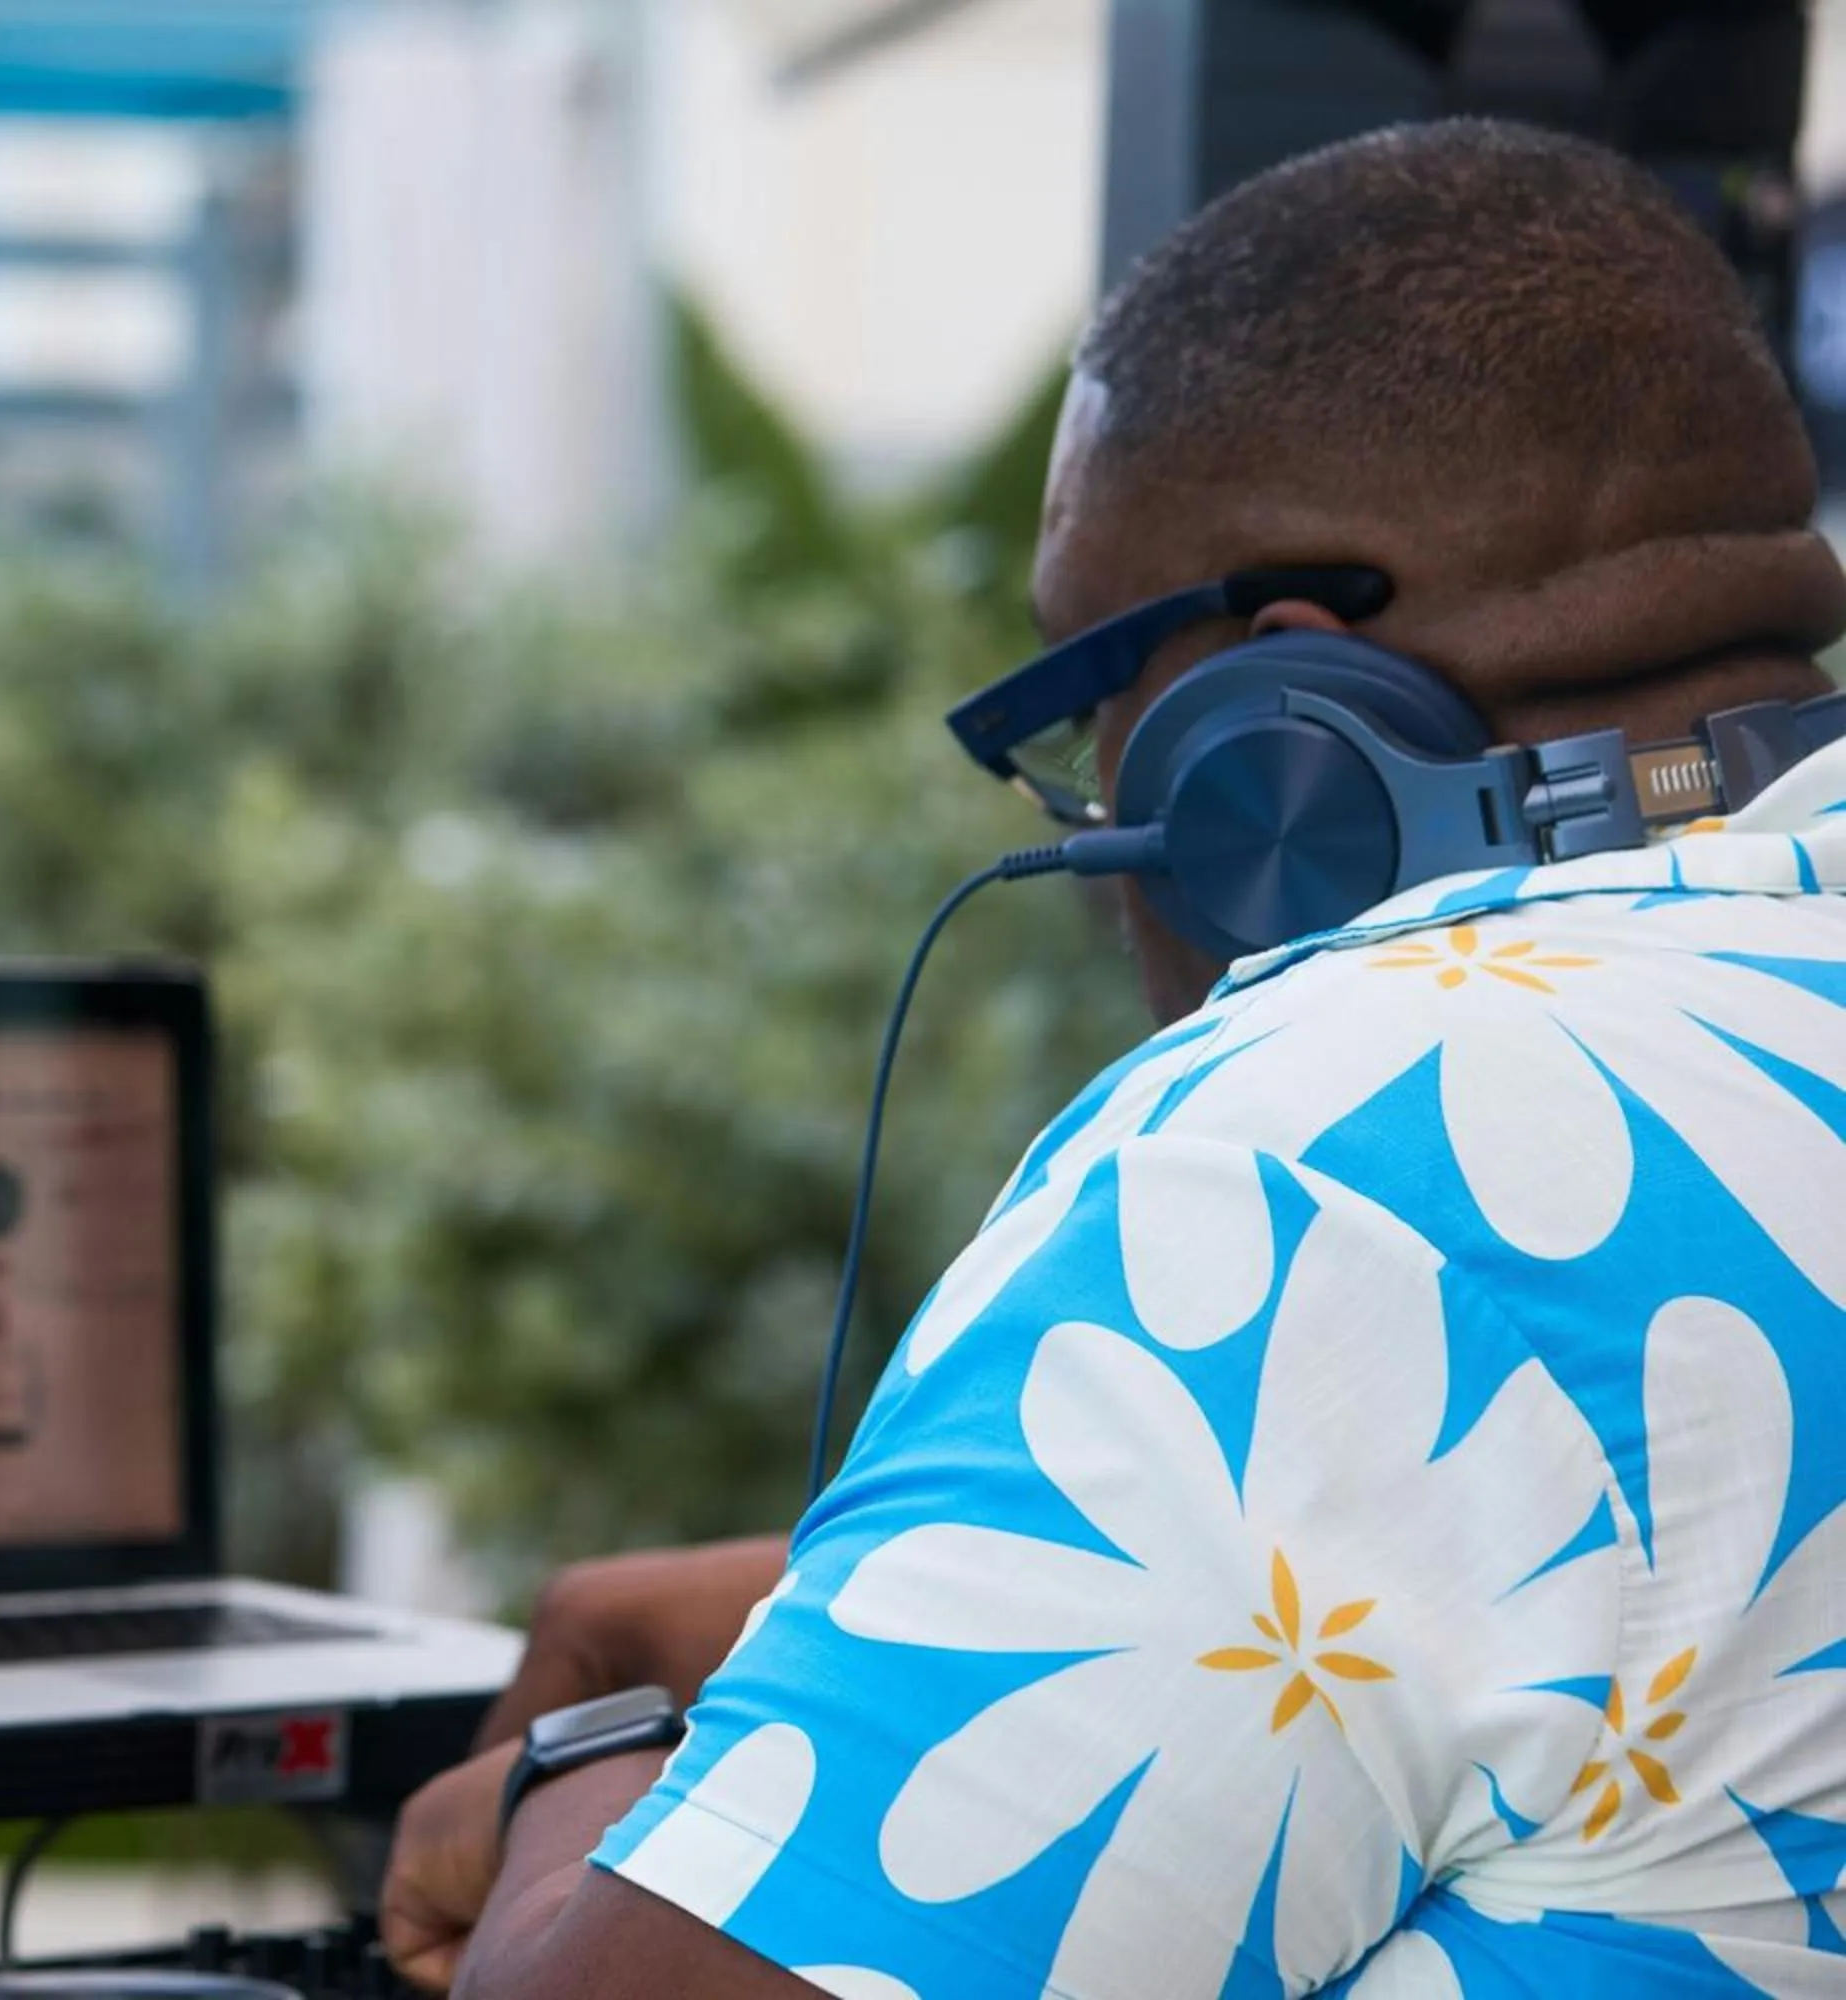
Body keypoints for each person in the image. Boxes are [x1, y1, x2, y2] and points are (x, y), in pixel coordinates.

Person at [378, 118, 1846, 1997]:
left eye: (1091, 714)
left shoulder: (1344, 1148)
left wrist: (586, 1785)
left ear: (1276, 717)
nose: (1097, 825)